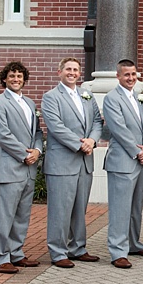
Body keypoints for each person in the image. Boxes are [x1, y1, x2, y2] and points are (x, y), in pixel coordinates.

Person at [41, 56, 104, 267]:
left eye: (76, 70)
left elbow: (97, 120)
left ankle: (78, 248)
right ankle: (58, 252)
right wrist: (80, 144)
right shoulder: (51, 97)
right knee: (60, 209)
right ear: (60, 72)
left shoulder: (86, 95)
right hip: (62, 162)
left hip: (85, 162)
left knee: (79, 208)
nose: (72, 73)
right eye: (68, 69)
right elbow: (55, 126)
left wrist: (93, 140)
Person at [0, 60, 44, 273]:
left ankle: (17, 253)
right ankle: (0, 258)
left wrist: (37, 151)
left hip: (29, 169)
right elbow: (2, 135)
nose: (16, 79)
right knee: (5, 216)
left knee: (22, 216)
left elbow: (38, 132)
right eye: (12, 76)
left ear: (24, 79)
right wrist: (23, 154)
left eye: (19, 76)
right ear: (4, 79)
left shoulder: (30, 103)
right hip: (10, 168)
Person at [102, 59, 143, 268]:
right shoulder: (111, 99)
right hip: (122, 161)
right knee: (120, 208)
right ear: (118, 76)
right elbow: (118, 129)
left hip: (141, 160)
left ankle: (133, 243)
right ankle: (118, 251)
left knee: (136, 207)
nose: (131, 78)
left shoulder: (139, 99)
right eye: (126, 75)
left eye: (134, 74)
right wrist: (137, 152)